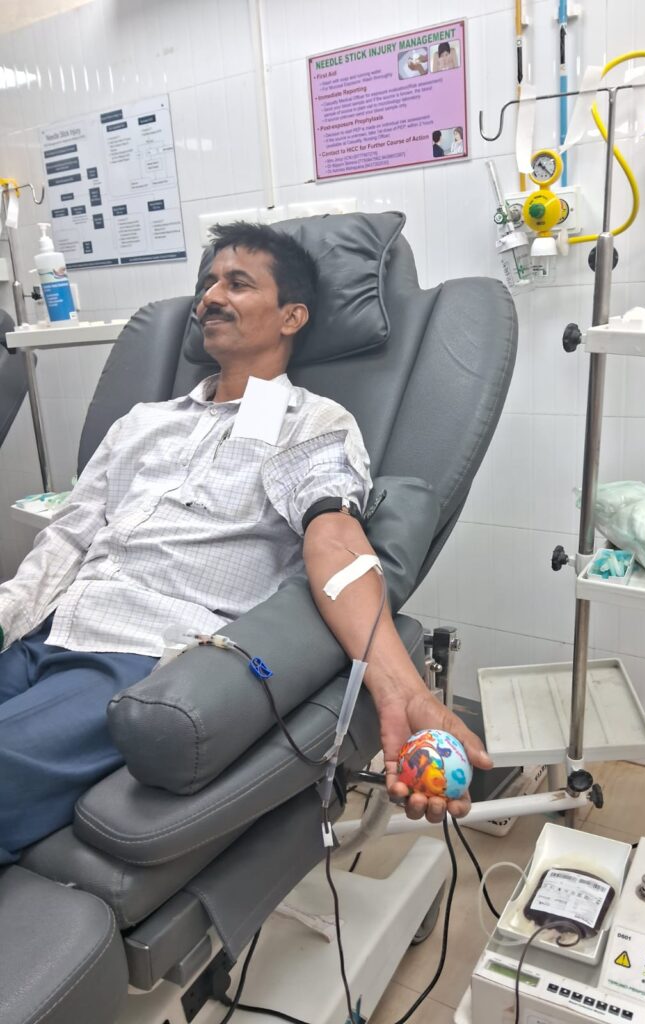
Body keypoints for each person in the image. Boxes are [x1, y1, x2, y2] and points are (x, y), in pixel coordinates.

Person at [0, 221, 491, 864]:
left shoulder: (311, 422)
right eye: (208, 283)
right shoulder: (144, 422)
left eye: (237, 283)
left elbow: (334, 538)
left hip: (135, 656)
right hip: (44, 631)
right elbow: (71, 534)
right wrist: (9, 615)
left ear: (292, 316)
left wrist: (402, 686)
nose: (210, 297)